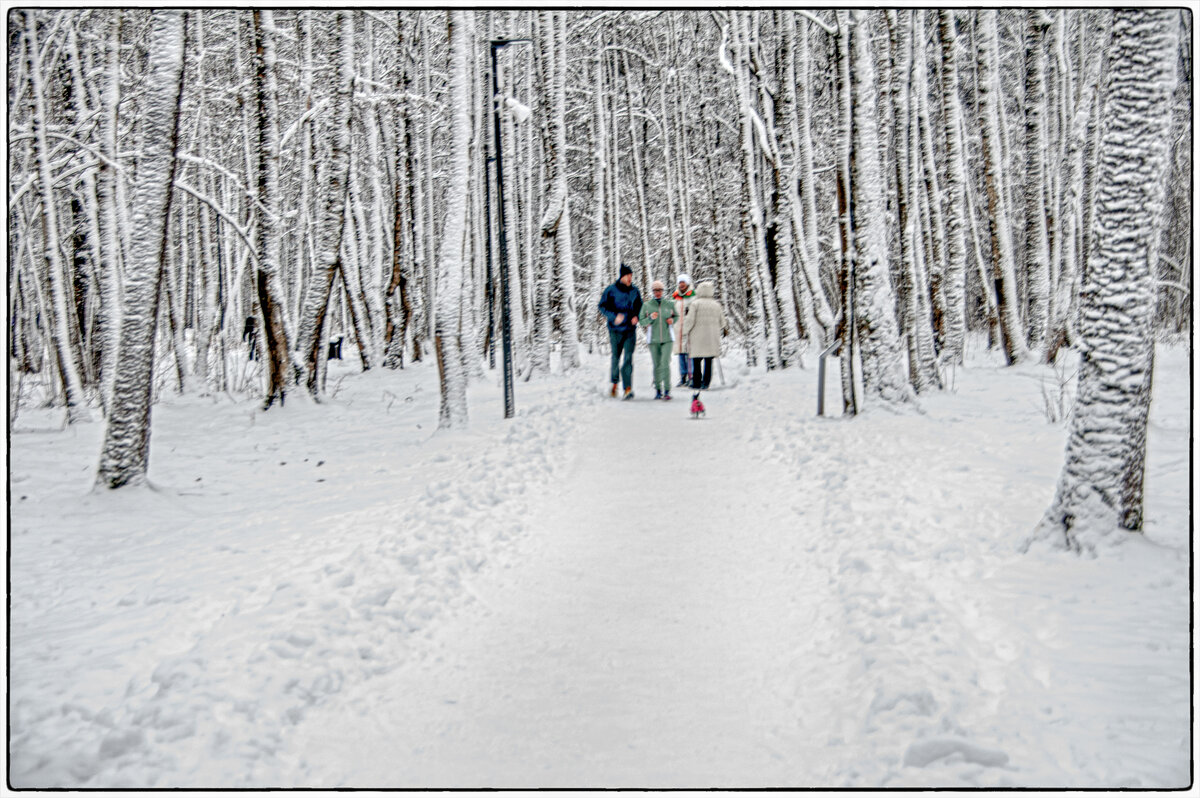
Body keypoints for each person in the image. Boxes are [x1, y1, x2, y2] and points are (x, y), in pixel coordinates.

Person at [598, 263, 642, 399]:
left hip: (630, 330)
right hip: (615, 330)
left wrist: (636, 316)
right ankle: (615, 383)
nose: (630, 278)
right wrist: (614, 316)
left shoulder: (635, 291)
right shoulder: (611, 290)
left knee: (628, 358)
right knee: (616, 358)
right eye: (627, 276)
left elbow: (639, 306)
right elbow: (602, 306)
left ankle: (627, 388)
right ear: (622, 276)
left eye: (631, 276)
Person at [638, 280, 677, 400]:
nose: (658, 293)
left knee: (665, 363)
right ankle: (658, 390)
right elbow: (641, 320)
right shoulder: (647, 305)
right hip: (653, 339)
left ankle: (667, 390)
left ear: (663, 291)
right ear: (653, 292)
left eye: (660, 290)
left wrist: (672, 320)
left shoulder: (669, 304)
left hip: (667, 338)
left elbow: (676, 316)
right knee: (657, 364)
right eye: (655, 290)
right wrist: (650, 318)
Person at [682, 281, 724, 391]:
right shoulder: (717, 305)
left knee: (696, 361)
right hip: (711, 338)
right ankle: (706, 383)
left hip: (697, 338)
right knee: (708, 361)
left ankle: (696, 382)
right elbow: (723, 322)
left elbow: (690, 320)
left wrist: (684, 331)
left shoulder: (695, 304)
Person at [672, 274, 695, 387]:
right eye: (680, 282)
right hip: (678, 329)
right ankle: (683, 376)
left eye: (683, 282)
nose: (681, 285)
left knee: (689, 352)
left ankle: (691, 376)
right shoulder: (676, 297)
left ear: (687, 283)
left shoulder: (692, 296)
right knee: (681, 352)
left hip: (689, 328)